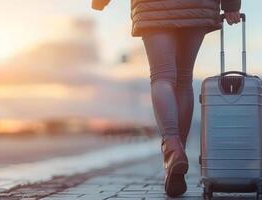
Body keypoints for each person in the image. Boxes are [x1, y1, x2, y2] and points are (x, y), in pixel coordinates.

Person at [92, 0, 241, 197]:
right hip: (197, 6)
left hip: (152, 6)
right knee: (183, 79)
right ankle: (179, 152)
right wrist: (232, 5)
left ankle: (173, 150)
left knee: (162, 77)